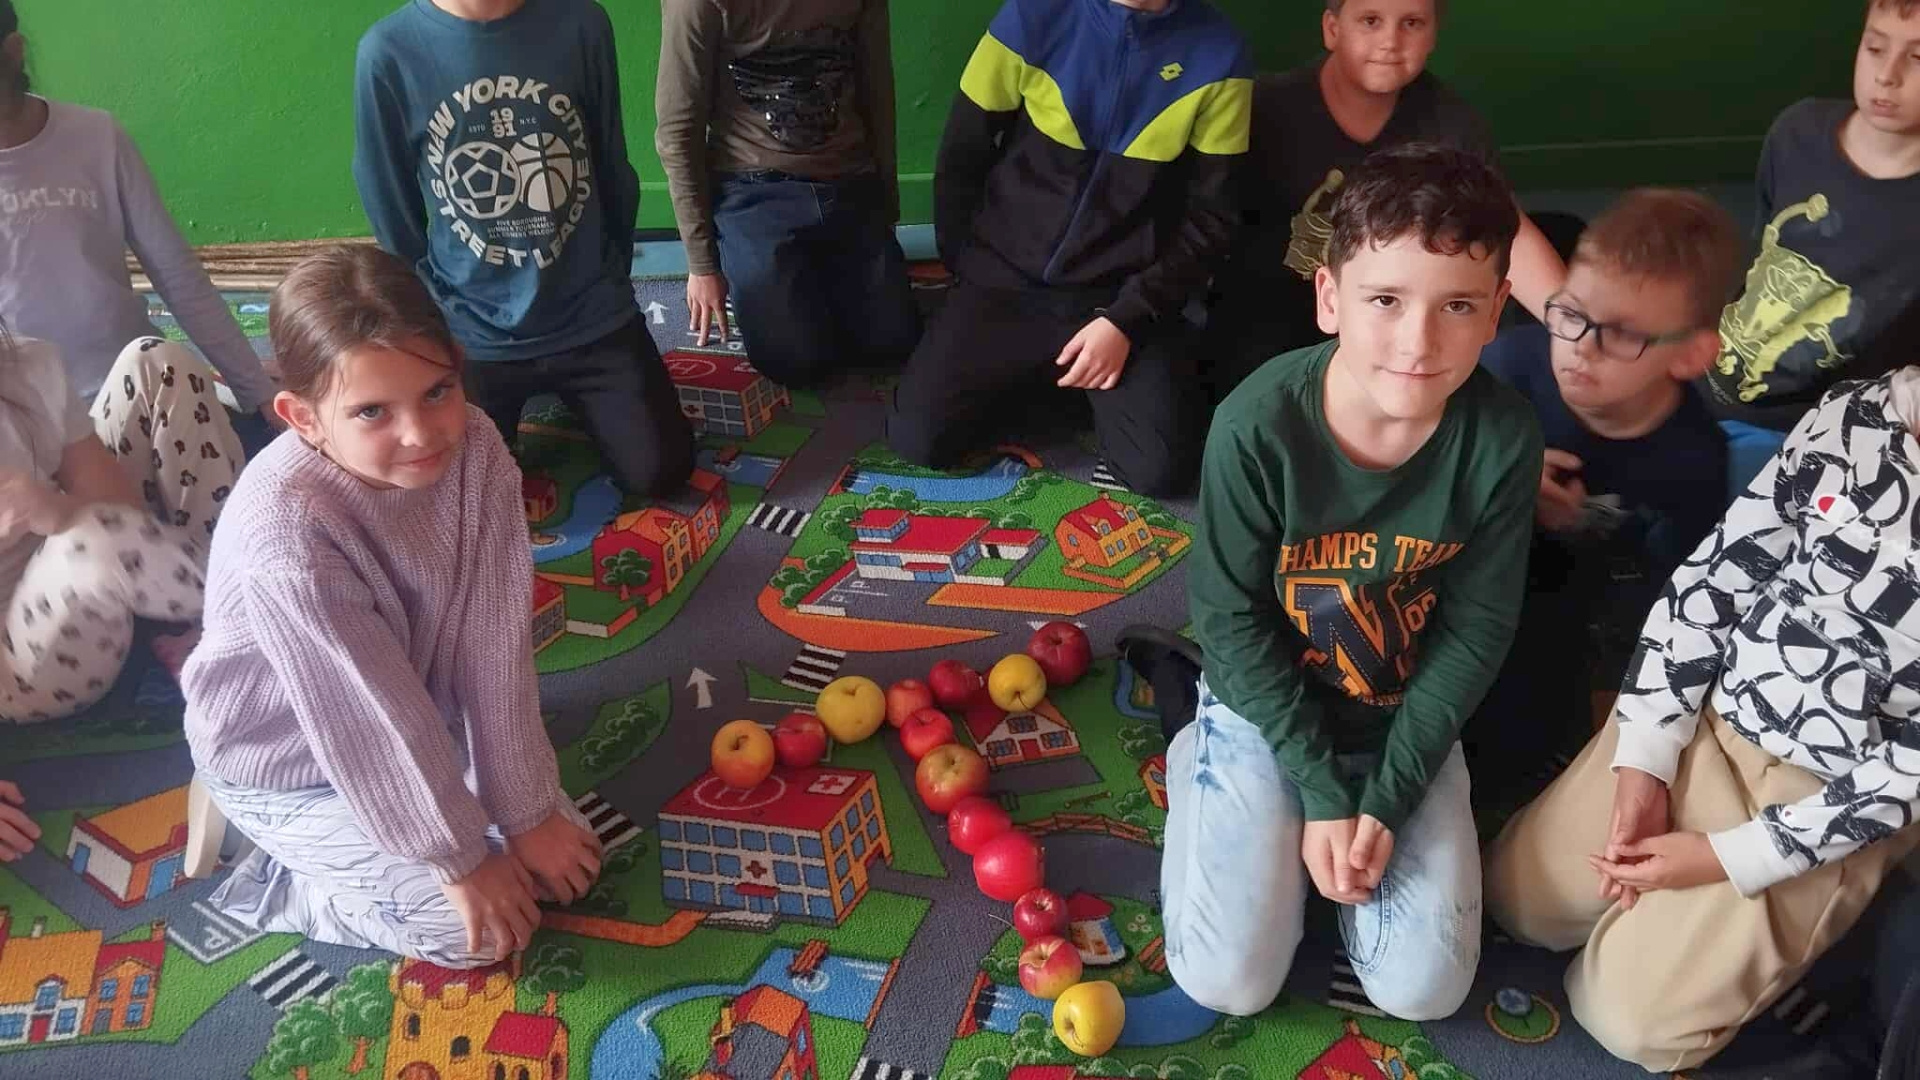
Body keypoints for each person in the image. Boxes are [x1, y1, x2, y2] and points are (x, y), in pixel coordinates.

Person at [1155, 144, 1541, 1019]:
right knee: (1229, 982)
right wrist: (1325, 793)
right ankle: (1198, 754)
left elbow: (1477, 627)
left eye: (1457, 306)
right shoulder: (1256, 425)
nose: (1418, 342)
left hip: (1401, 716)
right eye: (1385, 300)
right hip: (1265, 706)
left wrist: (1390, 793)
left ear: (1495, 312)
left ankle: (1303, 836)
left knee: (1424, 992)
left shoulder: (1503, 436)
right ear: (1330, 299)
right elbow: (1229, 619)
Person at [1488, 360, 1920, 1071]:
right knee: (1516, 899)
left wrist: (1731, 856)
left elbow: (1906, 776)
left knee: (1628, 1021)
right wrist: (1645, 758)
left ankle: (1801, 938)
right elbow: (1716, 578)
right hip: (1716, 709)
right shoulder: (1860, 410)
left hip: (1832, 793)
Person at [182, 246, 600, 968]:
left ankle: (428, 838)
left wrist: (526, 811)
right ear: (303, 418)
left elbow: (494, 644)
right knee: (472, 937)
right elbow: (365, 718)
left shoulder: (477, 448)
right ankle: (286, 887)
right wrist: (459, 859)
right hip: (286, 757)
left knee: (555, 853)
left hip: (416, 704)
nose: (421, 434)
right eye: (372, 411)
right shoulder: (287, 536)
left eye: (437, 392)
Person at [884, 0, 1252, 498]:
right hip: (1003, 280)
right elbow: (962, 156)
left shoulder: (1221, 53)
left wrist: (1127, 319)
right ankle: (1051, 379)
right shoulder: (1030, 17)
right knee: (919, 440)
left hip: (1117, 300)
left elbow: (1212, 217)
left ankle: (1067, 374)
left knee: (1159, 470)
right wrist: (969, 270)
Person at [353, 0, 693, 500]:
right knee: (453, 492)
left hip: (591, 315)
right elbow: (389, 202)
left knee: (661, 472)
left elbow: (611, 166)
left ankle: (581, 394)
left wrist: (607, 280)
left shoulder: (581, 24)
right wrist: (435, 314)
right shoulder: (388, 52)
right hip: (473, 332)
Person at [1468, 190, 1739, 793]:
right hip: (1464, 573)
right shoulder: (1506, 370)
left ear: (1691, 354)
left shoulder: (1694, 459)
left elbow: (1675, 594)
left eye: (1620, 335)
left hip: (1570, 609)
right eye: (1570, 314)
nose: (1579, 349)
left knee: (1533, 743)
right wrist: (1505, 475)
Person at [1200, 0, 1567, 397]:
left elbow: (1504, 229)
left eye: (1412, 23)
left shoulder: (1451, 124)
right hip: (1267, 315)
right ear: (1332, 29)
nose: (1391, 41)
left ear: (1433, 35)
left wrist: (1575, 325)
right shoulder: (1264, 108)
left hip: (1391, 318)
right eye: (1370, 21)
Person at [0, 1, 276, 444]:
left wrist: (258, 392)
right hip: (25, 427)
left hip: (139, 390)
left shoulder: (95, 136)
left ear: (13, 52)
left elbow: (177, 275)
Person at [1706, 0, 1920, 492]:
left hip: (1821, 433)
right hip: (1710, 376)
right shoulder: (1796, 130)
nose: (1886, 75)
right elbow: (1763, 250)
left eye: (1917, 57)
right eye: (1875, 47)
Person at [655, 0, 919, 389]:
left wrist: (887, 213)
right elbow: (678, 133)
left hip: (848, 179)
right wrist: (703, 266)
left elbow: (878, 92)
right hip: (753, 190)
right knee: (794, 361)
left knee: (891, 344)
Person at [2, 326, 239, 726]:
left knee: (156, 360)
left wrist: (54, 510)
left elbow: (123, 513)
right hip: (20, 664)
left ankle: (211, 617)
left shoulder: (26, 365)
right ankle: (257, 612)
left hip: (101, 564)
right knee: (93, 541)